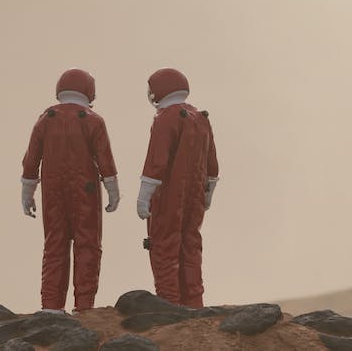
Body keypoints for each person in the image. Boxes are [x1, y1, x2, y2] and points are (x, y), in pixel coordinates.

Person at [20, 68, 121, 314]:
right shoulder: (93, 120)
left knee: (55, 244)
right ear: (89, 91)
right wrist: (113, 190)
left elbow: (31, 160)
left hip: (53, 190)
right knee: (87, 245)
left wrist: (27, 192)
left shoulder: (46, 119)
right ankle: (84, 306)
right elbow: (105, 159)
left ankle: (51, 305)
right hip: (85, 190)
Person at [135, 67, 219, 308]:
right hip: (194, 198)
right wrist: (208, 194)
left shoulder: (165, 118)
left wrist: (144, 197)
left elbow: (156, 162)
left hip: (168, 196)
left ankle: (169, 305)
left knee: (164, 247)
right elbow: (212, 164)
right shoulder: (201, 118)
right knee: (191, 246)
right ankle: (194, 303)